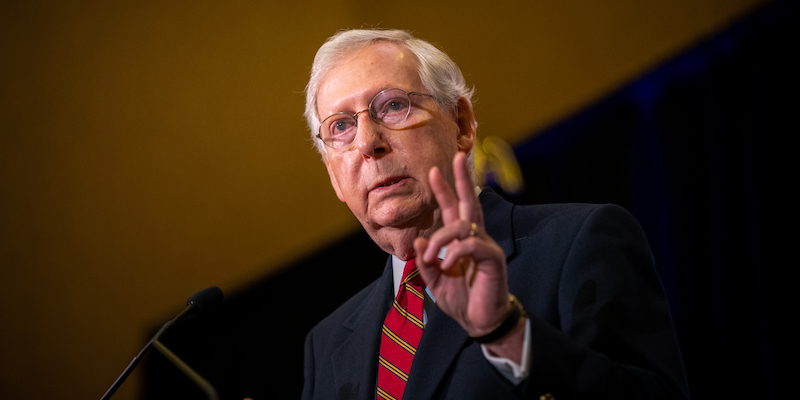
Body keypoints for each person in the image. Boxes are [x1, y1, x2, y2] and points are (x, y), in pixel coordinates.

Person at [301, 29, 689, 400]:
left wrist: (506, 331)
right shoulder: (328, 342)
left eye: (394, 105)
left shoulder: (580, 241)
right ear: (332, 175)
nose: (368, 142)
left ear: (462, 125)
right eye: (341, 127)